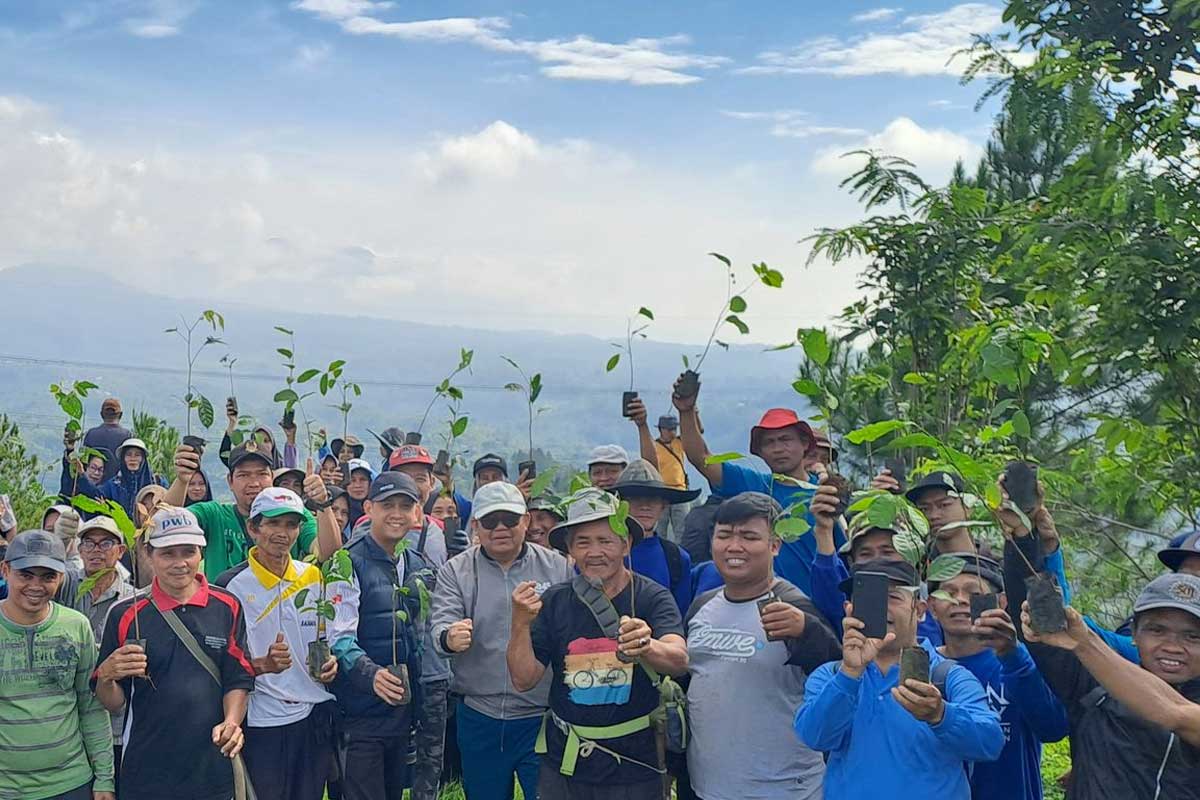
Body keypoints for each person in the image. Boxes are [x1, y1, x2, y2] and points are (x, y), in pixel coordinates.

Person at [508, 487, 689, 800]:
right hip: (566, 762)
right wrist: (520, 624)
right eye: (583, 542)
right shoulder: (554, 602)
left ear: (626, 544)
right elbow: (524, 679)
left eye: (605, 541)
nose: (594, 552)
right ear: (570, 549)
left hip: (636, 766)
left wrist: (647, 645)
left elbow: (678, 658)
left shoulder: (651, 596)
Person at [795, 558, 1004, 799]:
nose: (881, 607)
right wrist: (850, 674)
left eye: (893, 597)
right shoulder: (830, 675)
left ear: (920, 610)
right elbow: (815, 737)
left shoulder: (946, 676)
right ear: (848, 609)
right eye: (868, 598)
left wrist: (940, 715)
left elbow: (990, 742)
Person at [686, 492, 841, 800]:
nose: (734, 546)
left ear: (775, 545)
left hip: (785, 788)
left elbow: (837, 674)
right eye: (724, 535)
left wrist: (808, 631)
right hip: (708, 787)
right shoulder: (702, 605)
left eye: (749, 536)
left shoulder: (794, 607)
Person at [93, 507, 256, 800]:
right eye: (167, 553)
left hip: (211, 765)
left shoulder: (226, 606)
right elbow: (115, 703)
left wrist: (231, 722)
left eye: (188, 551)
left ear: (201, 553)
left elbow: (238, 678)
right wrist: (106, 676)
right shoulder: (126, 614)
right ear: (149, 555)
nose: (180, 563)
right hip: (147, 769)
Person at [431, 482, 574, 800]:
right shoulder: (456, 571)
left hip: (542, 716)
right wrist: (449, 637)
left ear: (526, 521)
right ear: (475, 525)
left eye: (509, 520)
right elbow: (440, 623)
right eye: (490, 521)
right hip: (480, 716)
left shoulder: (559, 567)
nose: (500, 529)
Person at [216, 487, 339, 800]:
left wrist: (330, 665)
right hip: (262, 722)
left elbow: (322, 638)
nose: (283, 533)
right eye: (274, 523)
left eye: (291, 525)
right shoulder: (231, 585)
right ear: (253, 528)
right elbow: (223, 663)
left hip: (312, 715)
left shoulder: (312, 576)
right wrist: (263, 665)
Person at [673, 374, 841, 594]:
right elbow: (701, 457)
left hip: (820, 606)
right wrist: (686, 412)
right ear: (760, 452)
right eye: (769, 442)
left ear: (805, 445)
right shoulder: (753, 485)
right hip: (765, 609)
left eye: (786, 439)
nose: (778, 448)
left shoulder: (825, 495)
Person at [926, 553, 1067, 800]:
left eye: (973, 593)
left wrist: (1013, 656)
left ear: (1000, 602)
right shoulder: (920, 668)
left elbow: (1053, 727)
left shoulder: (1019, 662)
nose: (960, 600)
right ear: (931, 607)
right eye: (948, 592)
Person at [328, 472, 431, 800]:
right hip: (360, 715)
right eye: (388, 505)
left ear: (417, 513)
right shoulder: (347, 561)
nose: (397, 513)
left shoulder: (416, 564)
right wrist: (370, 675)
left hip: (401, 713)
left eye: (405, 505)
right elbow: (339, 637)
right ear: (369, 508)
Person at [0, 530, 116, 800]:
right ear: (5, 570)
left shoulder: (76, 626)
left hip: (71, 782)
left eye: (48, 576)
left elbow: (91, 705)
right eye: (26, 575)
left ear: (61, 577)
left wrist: (104, 779)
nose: (36, 585)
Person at [165, 441, 341, 580]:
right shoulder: (214, 515)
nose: (254, 483)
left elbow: (328, 554)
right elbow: (165, 525)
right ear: (230, 481)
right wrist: (182, 481)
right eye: (244, 475)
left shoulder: (293, 514)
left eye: (261, 474)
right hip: (226, 617)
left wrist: (323, 503)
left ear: (272, 478)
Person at [384, 445, 450, 800]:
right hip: (391, 663)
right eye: (405, 477)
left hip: (433, 664)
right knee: (392, 751)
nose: (414, 484)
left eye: (421, 478)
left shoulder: (441, 531)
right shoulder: (370, 527)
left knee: (430, 756)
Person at [71, 515, 138, 786]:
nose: (96, 550)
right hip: (75, 726)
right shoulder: (66, 588)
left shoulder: (132, 600)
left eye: (105, 543)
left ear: (120, 551)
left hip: (117, 725)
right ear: (79, 549)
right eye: (89, 543)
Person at [612, 459, 700, 613]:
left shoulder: (676, 558)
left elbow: (679, 616)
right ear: (619, 504)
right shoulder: (600, 553)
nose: (645, 506)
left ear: (663, 506)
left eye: (653, 499)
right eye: (635, 498)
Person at [74, 438, 162, 522]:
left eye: (137, 455)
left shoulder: (157, 482)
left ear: (143, 459)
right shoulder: (114, 484)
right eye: (128, 454)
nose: (133, 458)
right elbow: (95, 495)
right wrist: (82, 475)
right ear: (123, 459)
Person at [653, 414, 692, 543]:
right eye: (669, 429)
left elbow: (697, 430)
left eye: (674, 429)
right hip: (661, 493)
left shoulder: (680, 443)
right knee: (660, 530)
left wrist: (693, 413)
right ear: (661, 430)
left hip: (680, 491)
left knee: (683, 530)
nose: (672, 432)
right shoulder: (654, 447)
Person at [83, 397, 132, 482]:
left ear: (101, 414)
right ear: (120, 415)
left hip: (92, 485)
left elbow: (84, 462)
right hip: (116, 487)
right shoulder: (127, 436)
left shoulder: (90, 434)